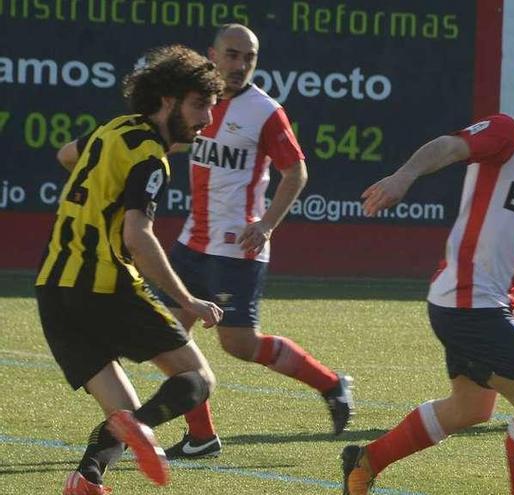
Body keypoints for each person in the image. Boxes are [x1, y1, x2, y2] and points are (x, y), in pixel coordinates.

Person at [340, 57, 514, 495]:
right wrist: (404, 176)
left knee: (469, 408)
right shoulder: (509, 131)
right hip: (470, 301)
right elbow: (450, 144)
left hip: (476, 302)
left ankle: (366, 462)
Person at [158, 24, 352, 458]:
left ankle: (331, 383)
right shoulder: (198, 103)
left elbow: (296, 172)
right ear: (212, 54)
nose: (239, 64)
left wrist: (266, 224)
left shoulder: (264, 111)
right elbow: (168, 142)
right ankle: (201, 436)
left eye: (249, 57)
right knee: (170, 335)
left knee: (239, 345)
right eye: (231, 54)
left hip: (237, 248)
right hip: (193, 242)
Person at [40, 45, 225, 495]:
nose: (206, 120)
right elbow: (137, 238)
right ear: (167, 101)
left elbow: (67, 154)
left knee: (120, 409)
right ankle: (139, 428)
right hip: (105, 284)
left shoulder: (112, 132)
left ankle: (86, 481)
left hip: (53, 288)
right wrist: (188, 301)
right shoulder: (150, 158)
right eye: (199, 105)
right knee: (196, 381)